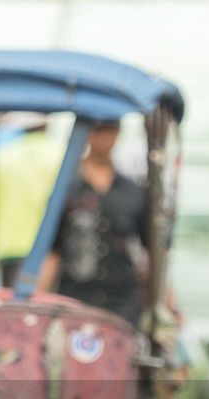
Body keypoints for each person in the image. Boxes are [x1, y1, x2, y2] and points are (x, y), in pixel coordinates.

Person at [37, 120, 149, 327]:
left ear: (118, 132)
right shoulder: (66, 188)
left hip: (122, 301)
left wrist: (168, 305)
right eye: (98, 131)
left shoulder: (132, 191)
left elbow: (150, 250)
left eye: (109, 130)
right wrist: (36, 300)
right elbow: (53, 250)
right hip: (75, 298)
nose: (103, 138)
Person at [0, 113, 65, 287]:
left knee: (13, 311)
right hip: (47, 249)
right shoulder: (60, 154)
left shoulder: (3, 156)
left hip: (8, 247)